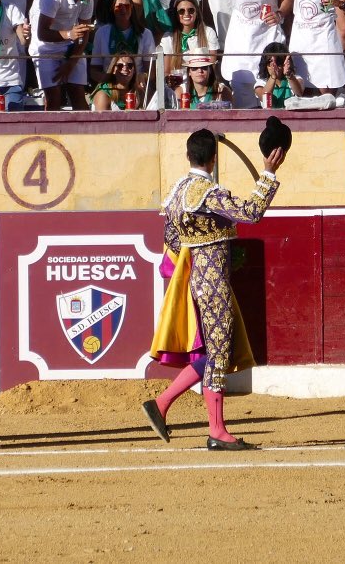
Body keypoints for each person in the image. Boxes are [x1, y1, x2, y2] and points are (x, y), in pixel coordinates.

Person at [142, 126, 285, 450]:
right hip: (215, 284)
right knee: (219, 355)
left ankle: (161, 404)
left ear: (189, 156)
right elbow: (251, 212)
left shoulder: (178, 192)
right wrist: (268, 173)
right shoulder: (208, 192)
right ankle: (217, 431)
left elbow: (172, 239)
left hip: (195, 281)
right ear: (214, 158)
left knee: (210, 355)